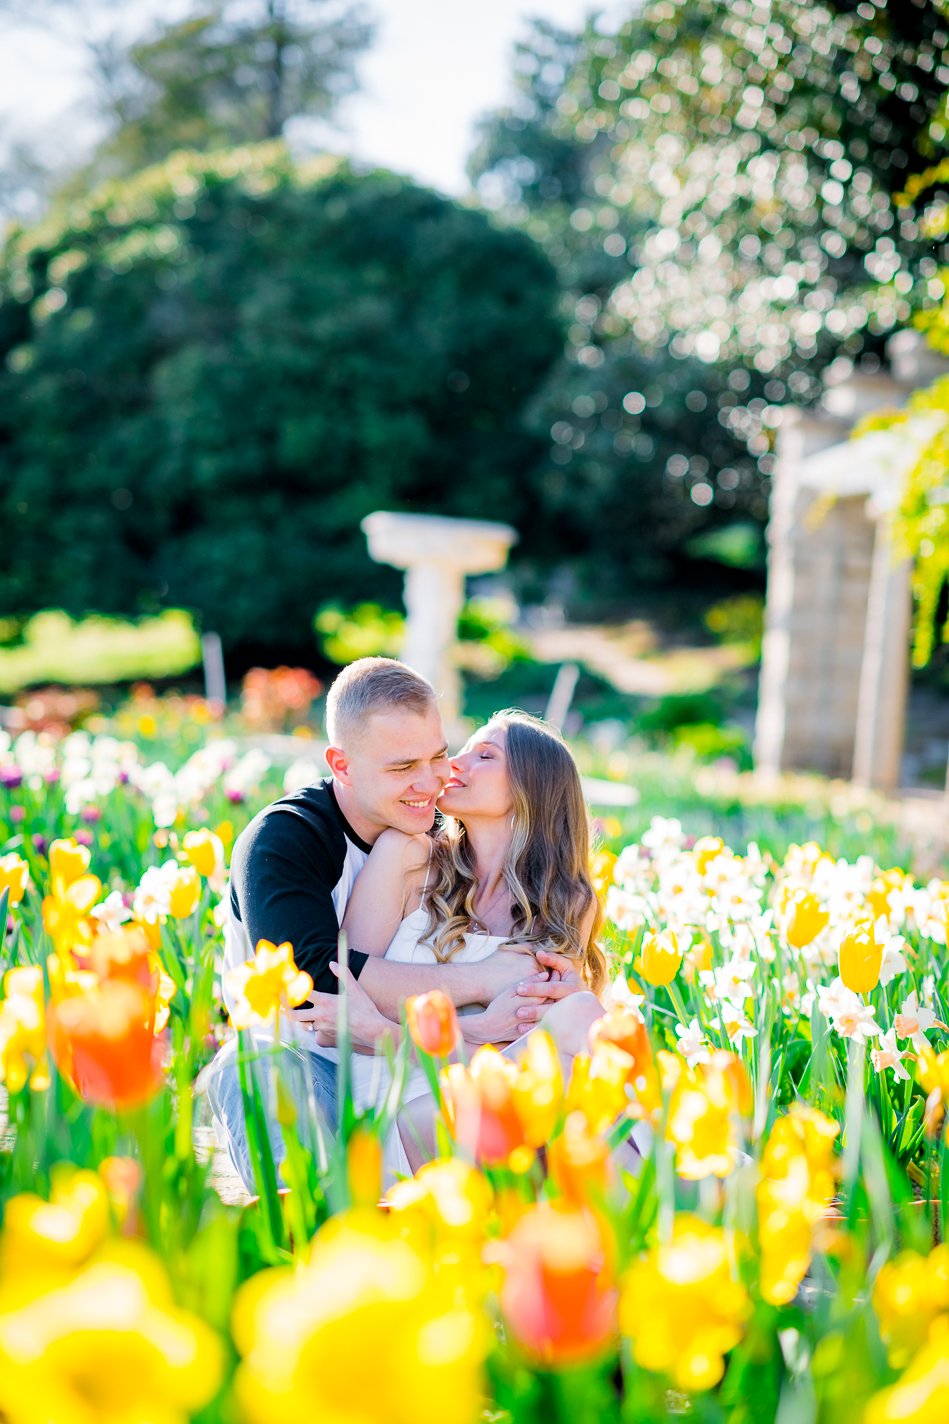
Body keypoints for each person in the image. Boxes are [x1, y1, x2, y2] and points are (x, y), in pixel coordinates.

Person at [205, 659, 559, 1193]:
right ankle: (306, 1219)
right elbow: (316, 988)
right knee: (260, 1070)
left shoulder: (444, 840)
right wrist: (483, 985)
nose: (430, 781)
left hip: (414, 1081)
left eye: (438, 755)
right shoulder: (285, 840)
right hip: (308, 1063)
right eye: (402, 768)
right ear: (341, 765)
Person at [295, 708, 610, 1180]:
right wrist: (480, 1020)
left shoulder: (567, 902)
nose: (453, 765)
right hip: (390, 1109)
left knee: (583, 1061)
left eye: (484, 755)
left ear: (534, 787)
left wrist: (399, 1033)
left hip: (485, 1114)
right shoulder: (407, 857)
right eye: (460, 750)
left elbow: (519, 1048)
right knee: (584, 1025)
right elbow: (340, 1009)